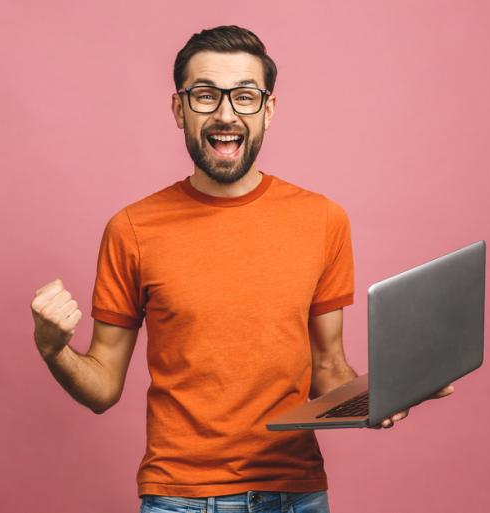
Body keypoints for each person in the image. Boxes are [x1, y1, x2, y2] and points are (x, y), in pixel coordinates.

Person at [30, 25, 454, 513]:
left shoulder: (323, 220)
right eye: (205, 95)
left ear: (268, 110)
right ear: (179, 109)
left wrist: (382, 396)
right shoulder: (131, 229)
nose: (226, 114)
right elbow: (102, 387)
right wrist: (53, 349)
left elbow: (328, 369)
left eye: (245, 97)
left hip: (297, 494)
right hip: (180, 499)